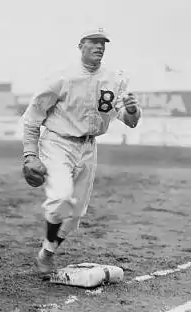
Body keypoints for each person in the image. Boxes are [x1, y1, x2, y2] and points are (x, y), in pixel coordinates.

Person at [22, 28, 141, 273]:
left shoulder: (114, 79)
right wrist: (30, 154)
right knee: (61, 198)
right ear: (81, 46)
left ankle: (47, 253)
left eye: (103, 43)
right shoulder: (60, 77)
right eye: (93, 42)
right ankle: (47, 250)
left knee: (75, 213)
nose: (99, 47)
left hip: (88, 146)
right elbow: (32, 117)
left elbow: (130, 120)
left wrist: (132, 110)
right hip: (58, 142)